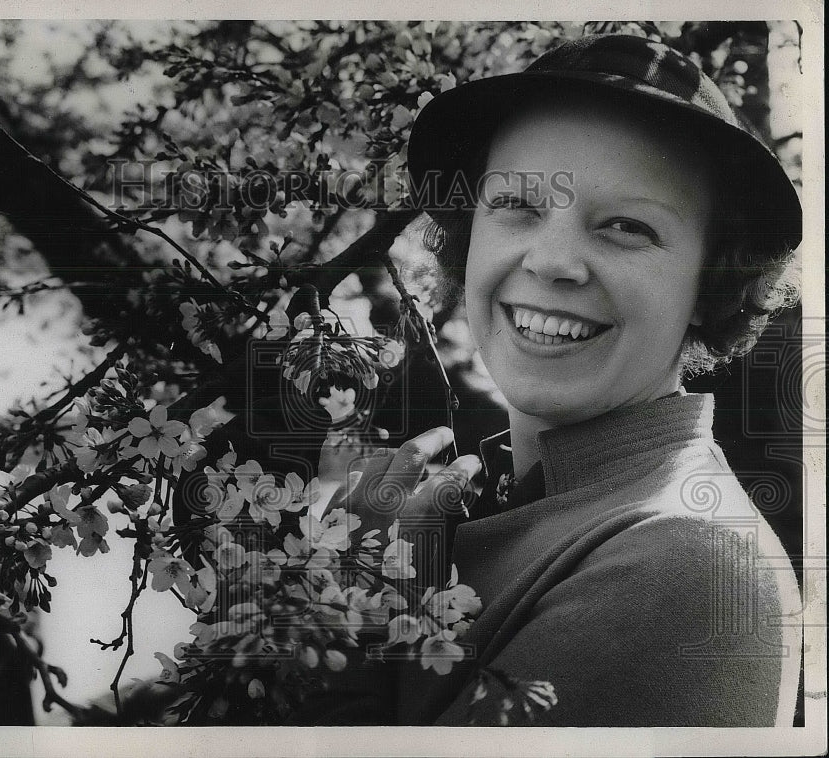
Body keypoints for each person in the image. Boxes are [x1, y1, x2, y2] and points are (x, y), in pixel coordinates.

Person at [300, 33, 804, 727]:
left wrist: (340, 609)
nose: (554, 261)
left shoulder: (684, 564)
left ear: (710, 285)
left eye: (628, 226)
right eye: (517, 206)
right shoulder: (498, 500)